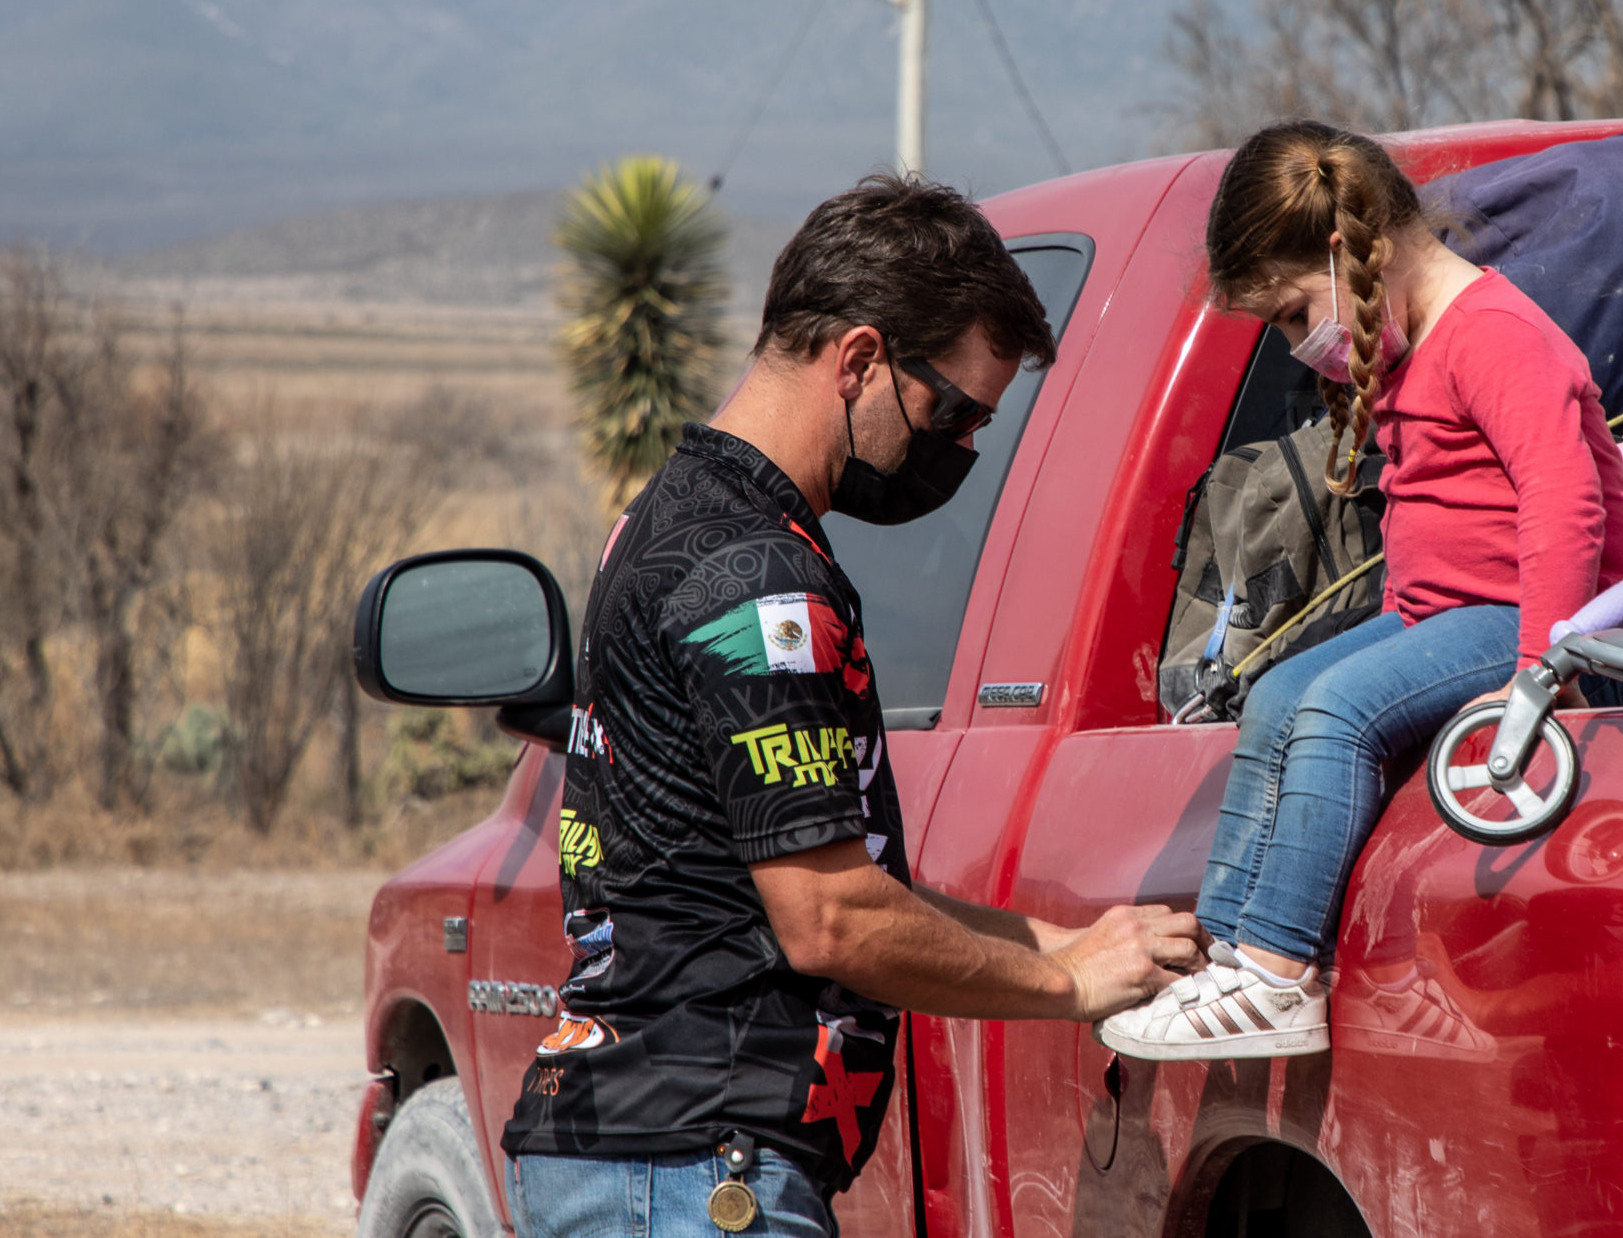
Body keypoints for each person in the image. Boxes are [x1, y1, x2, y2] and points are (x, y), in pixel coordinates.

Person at [504, 175, 1203, 1238]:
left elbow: (854, 890)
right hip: (701, 1174)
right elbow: (830, 919)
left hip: (656, 1157)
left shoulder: (671, 520)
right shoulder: (757, 582)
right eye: (953, 410)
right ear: (863, 359)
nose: (963, 448)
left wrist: (1077, 944)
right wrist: (1062, 991)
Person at [1100, 121, 1623, 1061]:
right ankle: (1230, 948)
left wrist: (1537, 675)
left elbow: (1565, 500)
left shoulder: (1495, 334)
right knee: (1276, 692)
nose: (1292, 340)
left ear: (1350, 251)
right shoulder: (1408, 341)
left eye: (1289, 312)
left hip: (1538, 620)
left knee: (1336, 711)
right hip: (1446, 613)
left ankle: (1278, 974)